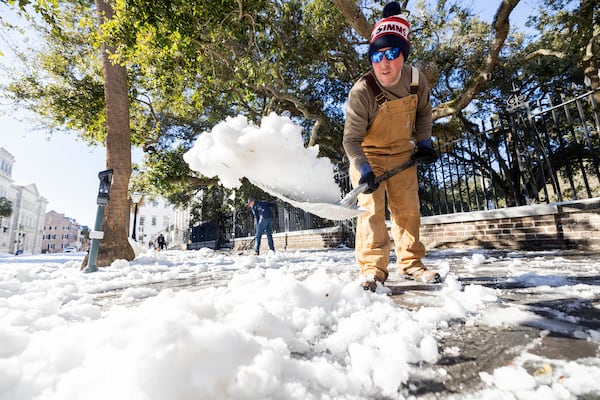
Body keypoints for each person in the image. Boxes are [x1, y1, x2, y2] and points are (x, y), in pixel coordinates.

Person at [342, 1, 440, 291]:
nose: (384, 62)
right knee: (371, 210)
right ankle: (372, 270)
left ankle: (411, 264)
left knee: (408, 209)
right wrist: (363, 168)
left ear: (404, 55)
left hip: (401, 155)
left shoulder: (415, 79)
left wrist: (423, 142)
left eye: (392, 53)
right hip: (369, 156)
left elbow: (423, 114)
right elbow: (350, 139)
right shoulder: (363, 91)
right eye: (377, 55)